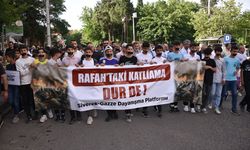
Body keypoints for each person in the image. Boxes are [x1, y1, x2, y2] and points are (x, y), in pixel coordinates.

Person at [62, 45, 82, 124]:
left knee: (77, 98)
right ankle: (72, 116)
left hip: (76, 82)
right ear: (66, 51)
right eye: (68, 49)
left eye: (71, 49)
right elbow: (62, 69)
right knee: (70, 99)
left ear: (74, 50)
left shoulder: (78, 59)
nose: (70, 50)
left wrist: (79, 66)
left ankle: (79, 115)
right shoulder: (64, 59)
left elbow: (81, 68)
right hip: (68, 81)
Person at [78, 47, 98, 125]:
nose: (88, 53)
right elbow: (76, 69)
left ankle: (93, 111)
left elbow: (99, 68)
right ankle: (89, 115)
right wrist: (78, 66)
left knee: (93, 98)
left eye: (90, 52)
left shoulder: (95, 61)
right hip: (84, 84)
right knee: (86, 98)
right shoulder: (81, 61)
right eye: (87, 52)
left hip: (93, 83)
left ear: (92, 53)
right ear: (84, 53)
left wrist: (99, 66)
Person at [16, 45, 36, 123]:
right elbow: (21, 73)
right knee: (25, 100)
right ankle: (28, 115)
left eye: (25, 50)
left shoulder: (32, 59)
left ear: (27, 50)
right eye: (22, 51)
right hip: (23, 83)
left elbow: (36, 71)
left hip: (32, 82)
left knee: (33, 99)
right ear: (20, 52)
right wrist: (30, 67)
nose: (23, 52)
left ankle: (35, 113)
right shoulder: (18, 61)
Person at [99, 45, 119, 122]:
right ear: (105, 52)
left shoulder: (116, 60)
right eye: (107, 51)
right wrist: (100, 66)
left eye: (110, 51)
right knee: (107, 98)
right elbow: (96, 68)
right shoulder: (101, 59)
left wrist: (119, 66)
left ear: (112, 52)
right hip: (105, 82)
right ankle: (109, 114)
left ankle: (115, 112)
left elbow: (121, 69)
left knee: (114, 97)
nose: (109, 52)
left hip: (114, 81)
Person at [119, 44, 138, 122]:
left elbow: (137, 68)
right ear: (126, 50)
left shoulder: (135, 58)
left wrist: (139, 65)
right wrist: (120, 65)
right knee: (126, 96)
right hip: (124, 80)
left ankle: (129, 110)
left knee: (131, 96)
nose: (130, 50)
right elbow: (118, 67)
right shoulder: (122, 58)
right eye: (128, 49)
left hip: (132, 80)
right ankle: (128, 114)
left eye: (131, 49)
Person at [136, 41, 154, 117]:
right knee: (140, 91)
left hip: (148, 76)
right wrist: (138, 63)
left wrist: (152, 63)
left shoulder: (150, 55)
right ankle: (137, 104)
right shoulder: (138, 55)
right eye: (145, 48)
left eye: (147, 48)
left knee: (146, 92)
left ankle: (144, 109)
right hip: (140, 76)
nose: (146, 49)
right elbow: (135, 64)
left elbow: (152, 63)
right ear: (142, 48)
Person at [182, 43, 200, 113]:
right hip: (186, 76)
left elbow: (200, 66)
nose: (194, 49)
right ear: (190, 48)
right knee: (186, 91)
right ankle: (186, 105)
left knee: (193, 91)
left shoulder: (197, 56)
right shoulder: (185, 55)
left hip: (195, 76)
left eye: (195, 48)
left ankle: (192, 106)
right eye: (192, 47)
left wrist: (199, 62)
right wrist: (183, 61)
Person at [167, 41, 184, 112]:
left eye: (178, 46)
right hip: (172, 74)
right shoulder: (170, 54)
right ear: (173, 47)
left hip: (179, 74)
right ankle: (171, 104)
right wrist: (174, 60)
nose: (177, 47)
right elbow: (168, 62)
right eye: (176, 46)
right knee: (172, 90)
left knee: (178, 90)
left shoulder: (181, 54)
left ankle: (175, 105)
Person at [223, 45, 241, 115]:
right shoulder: (225, 58)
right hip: (226, 79)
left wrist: (236, 71)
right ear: (231, 51)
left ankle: (234, 109)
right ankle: (218, 106)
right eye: (234, 51)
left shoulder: (237, 60)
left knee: (235, 94)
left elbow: (238, 67)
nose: (235, 53)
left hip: (233, 79)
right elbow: (222, 68)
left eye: (236, 51)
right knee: (223, 94)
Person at [151, 45, 166, 117]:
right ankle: (155, 106)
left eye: (160, 50)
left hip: (162, 80)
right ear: (155, 51)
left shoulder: (164, 59)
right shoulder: (153, 59)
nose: (159, 52)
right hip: (155, 81)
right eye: (158, 51)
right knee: (156, 94)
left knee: (160, 95)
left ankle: (160, 110)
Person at [5, 50, 20, 123]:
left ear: (11, 57)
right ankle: (15, 111)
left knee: (15, 100)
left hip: (16, 86)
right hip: (10, 86)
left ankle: (16, 114)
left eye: (7, 57)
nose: (6, 59)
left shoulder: (17, 65)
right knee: (11, 101)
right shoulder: (7, 66)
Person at [200, 48, 216, 114]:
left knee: (207, 94)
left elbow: (215, 70)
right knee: (202, 94)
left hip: (209, 80)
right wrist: (205, 67)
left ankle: (203, 107)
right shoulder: (201, 60)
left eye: (208, 54)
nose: (207, 55)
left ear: (210, 54)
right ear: (204, 54)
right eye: (206, 54)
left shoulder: (212, 61)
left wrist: (209, 67)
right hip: (202, 80)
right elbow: (199, 69)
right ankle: (200, 106)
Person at [210, 46, 225, 115]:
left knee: (218, 94)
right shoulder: (212, 59)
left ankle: (216, 107)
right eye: (217, 51)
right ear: (215, 51)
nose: (218, 52)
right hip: (212, 78)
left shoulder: (222, 60)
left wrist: (224, 79)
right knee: (212, 93)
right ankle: (211, 102)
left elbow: (224, 70)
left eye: (219, 51)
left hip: (220, 79)